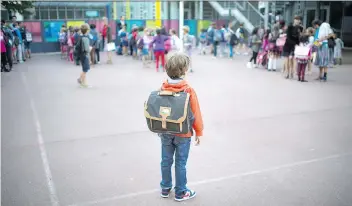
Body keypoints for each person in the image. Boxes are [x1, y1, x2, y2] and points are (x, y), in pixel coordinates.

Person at [158, 52, 203, 202]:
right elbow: (195, 112)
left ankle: (165, 187)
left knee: (166, 160)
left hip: (165, 130)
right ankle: (181, 192)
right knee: (180, 163)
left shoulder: (163, 87)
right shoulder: (188, 90)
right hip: (183, 133)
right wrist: (199, 131)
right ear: (184, 70)